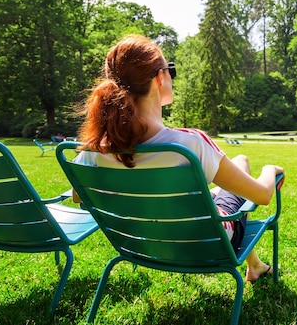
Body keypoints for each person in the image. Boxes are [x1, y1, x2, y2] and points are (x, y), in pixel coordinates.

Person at [73, 34, 283, 283]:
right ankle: (255, 266)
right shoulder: (188, 145)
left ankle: (255, 265)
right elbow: (262, 195)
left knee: (229, 175)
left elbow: (79, 196)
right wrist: (271, 170)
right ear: (159, 77)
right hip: (206, 243)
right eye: (169, 68)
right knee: (242, 162)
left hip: (144, 244)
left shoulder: (95, 150)